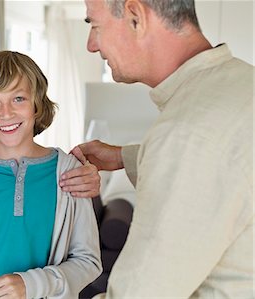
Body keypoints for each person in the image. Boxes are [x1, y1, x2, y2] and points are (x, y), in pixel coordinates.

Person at [66, 0, 254, 297]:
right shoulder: (243, 84)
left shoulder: (186, 133)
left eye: (94, 25)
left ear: (135, 17)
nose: (91, 45)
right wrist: (123, 157)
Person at [0, 50, 102, 299]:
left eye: (19, 99)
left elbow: (89, 262)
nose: (6, 113)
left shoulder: (70, 173)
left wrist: (32, 283)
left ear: (37, 104)